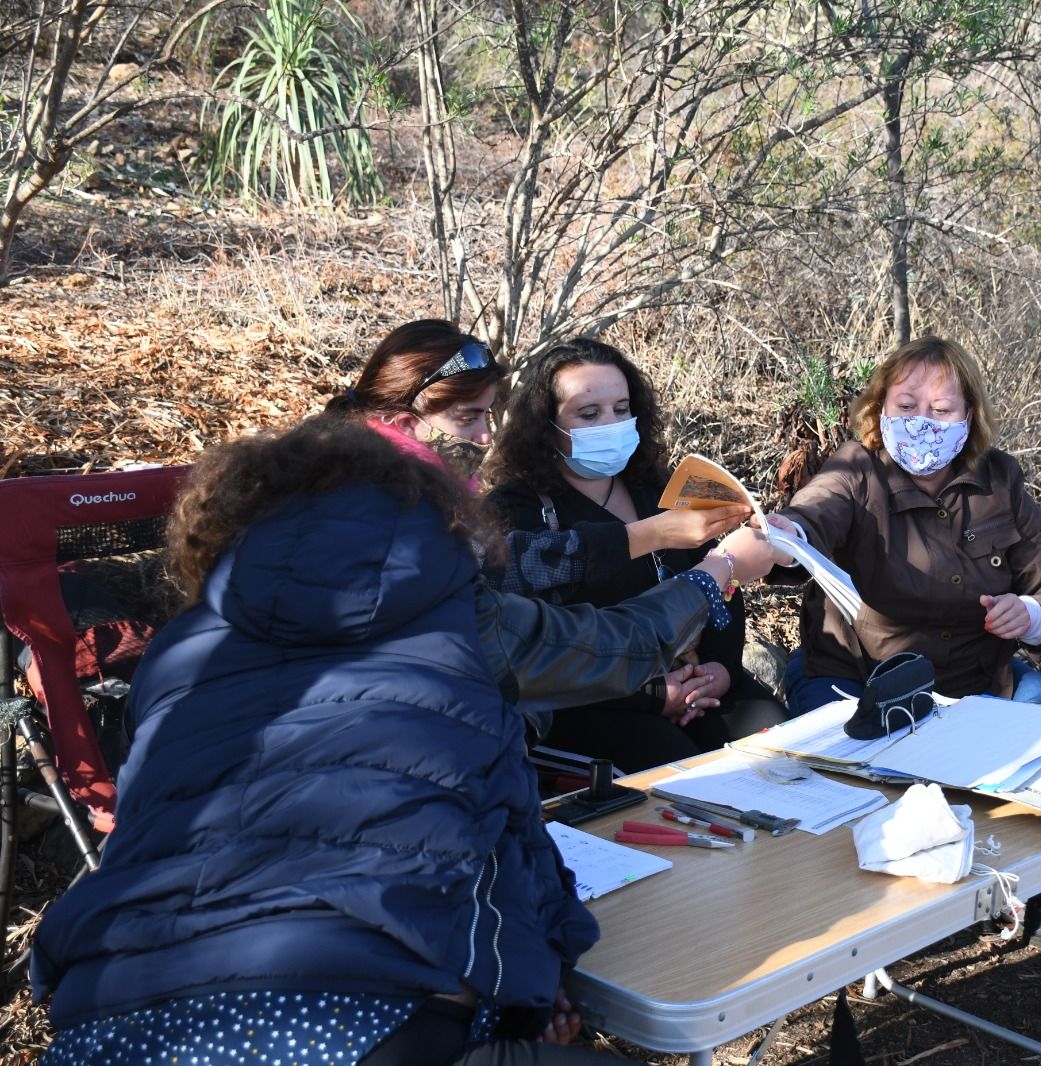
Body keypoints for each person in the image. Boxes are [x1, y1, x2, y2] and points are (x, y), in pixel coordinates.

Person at [29, 416, 778, 1065]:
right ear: (427, 515)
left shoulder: (181, 651)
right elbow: (609, 657)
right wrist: (718, 575)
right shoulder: (452, 612)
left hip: (108, 1016)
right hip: (349, 1015)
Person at [486, 337, 789, 771]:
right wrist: (651, 695)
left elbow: (722, 581)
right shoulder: (517, 511)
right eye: (589, 414)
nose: (610, 423)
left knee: (773, 733)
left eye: (621, 409)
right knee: (673, 766)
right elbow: (543, 643)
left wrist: (720, 669)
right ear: (546, 425)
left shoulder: (661, 488)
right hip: (593, 703)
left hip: (697, 682)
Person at [772, 335, 1041, 713]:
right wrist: (789, 536)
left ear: (969, 416)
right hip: (856, 678)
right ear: (880, 408)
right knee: (859, 770)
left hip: (979, 682)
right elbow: (815, 510)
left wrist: (1031, 613)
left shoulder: (1000, 479)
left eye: (940, 410)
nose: (921, 424)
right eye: (906, 406)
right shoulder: (856, 468)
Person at [326, 319, 746, 601]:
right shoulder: (358, 511)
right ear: (402, 424)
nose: (485, 435)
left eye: (622, 407)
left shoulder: (415, 495)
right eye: (468, 417)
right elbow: (511, 571)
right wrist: (698, 560)